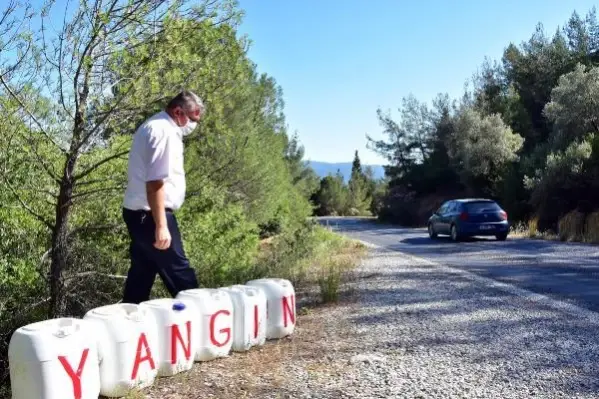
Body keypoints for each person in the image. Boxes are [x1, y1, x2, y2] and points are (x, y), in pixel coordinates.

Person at [121, 90, 204, 304]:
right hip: (151, 214)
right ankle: (202, 321)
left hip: (138, 213)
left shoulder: (156, 125)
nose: (193, 124)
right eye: (191, 118)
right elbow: (155, 183)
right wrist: (161, 225)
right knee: (180, 274)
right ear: (178, 111)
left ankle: (130, 324)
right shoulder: (163, 132)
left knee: (142, 274)